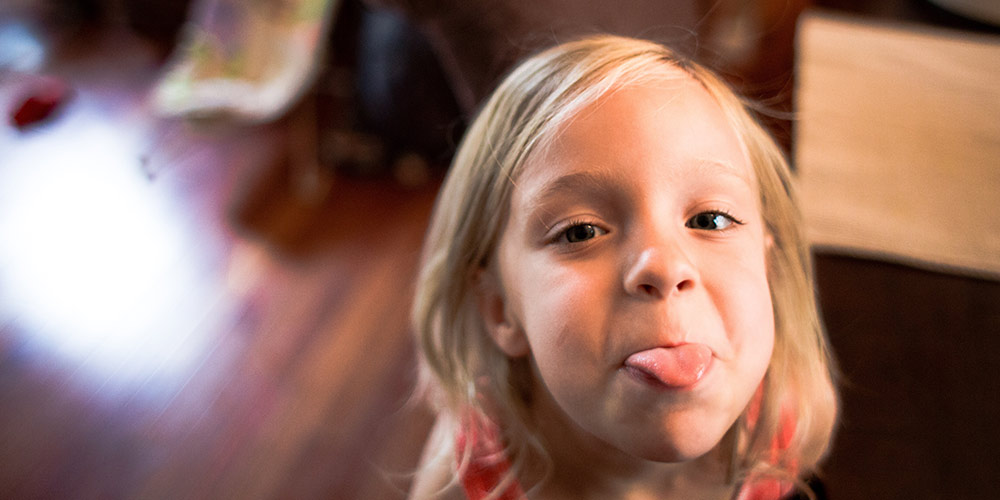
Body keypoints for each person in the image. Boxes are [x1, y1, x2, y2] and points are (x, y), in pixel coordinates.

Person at [408, 35, 838, 500]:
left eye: (710, 220)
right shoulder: (462, 481)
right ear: (500, 309)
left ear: (767, 268)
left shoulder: (787, 426)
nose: (664, 266)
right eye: (581, 232)